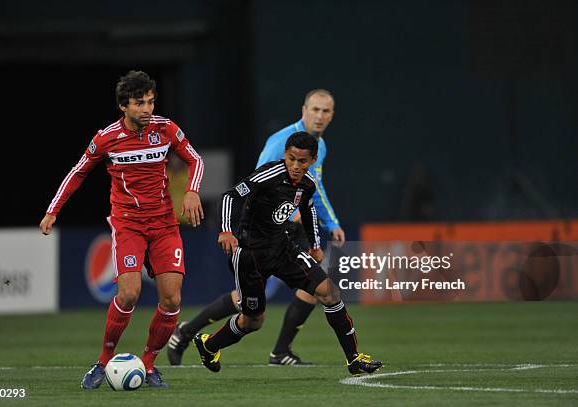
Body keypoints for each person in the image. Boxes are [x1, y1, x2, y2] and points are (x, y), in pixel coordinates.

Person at [39, 70, 204, 389]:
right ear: (123, 107)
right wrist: (52, 211)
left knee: (171, 300)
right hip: (128, 224)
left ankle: (150, 364)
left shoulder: (165, 129)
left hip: (164, 224)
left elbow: (195, 159)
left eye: (151, 102)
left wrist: (192, 190)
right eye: (140, 103)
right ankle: (102, 361)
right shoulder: (107, 138)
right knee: (128, 293)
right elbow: (77, 173)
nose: (147, 109)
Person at [167, 89, 344, 366]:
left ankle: (280, 351)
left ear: (332, 115)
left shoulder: (318, 148)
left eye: (326, 111)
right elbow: (257, 186)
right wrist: (280, 218)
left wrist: (330, 222)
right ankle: (187, 332)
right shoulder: (280, 142)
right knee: (249, 305)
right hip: (267, 232)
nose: (320, 116)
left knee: (314, 288)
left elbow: (314, 191)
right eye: (315, 109)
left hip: (291, 227)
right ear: (303, 110)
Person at [192, 132, 382, 375]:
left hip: (284, 249)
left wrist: (314, 245)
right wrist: (226, 231)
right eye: (291, 158)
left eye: (302, 161)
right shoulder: (269, 174)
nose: (295, 165)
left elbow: (308, 209)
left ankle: (354, 359)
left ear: (312, 160)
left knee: (329, 292)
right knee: (253, 322)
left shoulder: (308, 183)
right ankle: (208, 344)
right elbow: (229, 195)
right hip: (251, 255)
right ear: (285, 155)